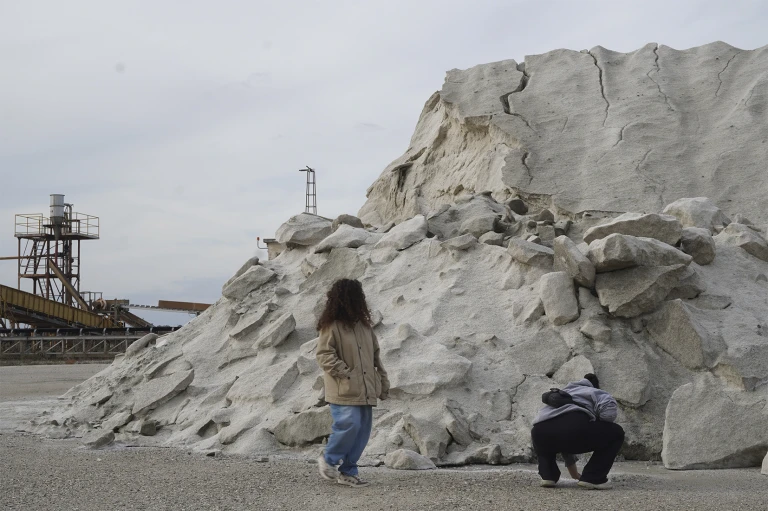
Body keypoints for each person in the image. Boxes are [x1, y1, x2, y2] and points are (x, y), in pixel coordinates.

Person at [315, 279, 389, 488]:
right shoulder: (332, 325)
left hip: (365, 389)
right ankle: (328, 458)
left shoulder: (365, 327)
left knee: (362, 432)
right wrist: (346, 373)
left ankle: (348, 472)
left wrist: (382, 382)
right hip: (344, 388)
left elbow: (375, 357)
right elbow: (324, 354)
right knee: (349, 425)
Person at [531, 373, 624, 490]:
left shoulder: (565, 392)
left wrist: (574, 474)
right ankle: (593, 477)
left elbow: (563, 437)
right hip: (573, 429)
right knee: (617, 433)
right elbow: (608, 413)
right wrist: (597, 420)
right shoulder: (596, 392)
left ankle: (548, 476)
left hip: (539, 431)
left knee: (552, 434)